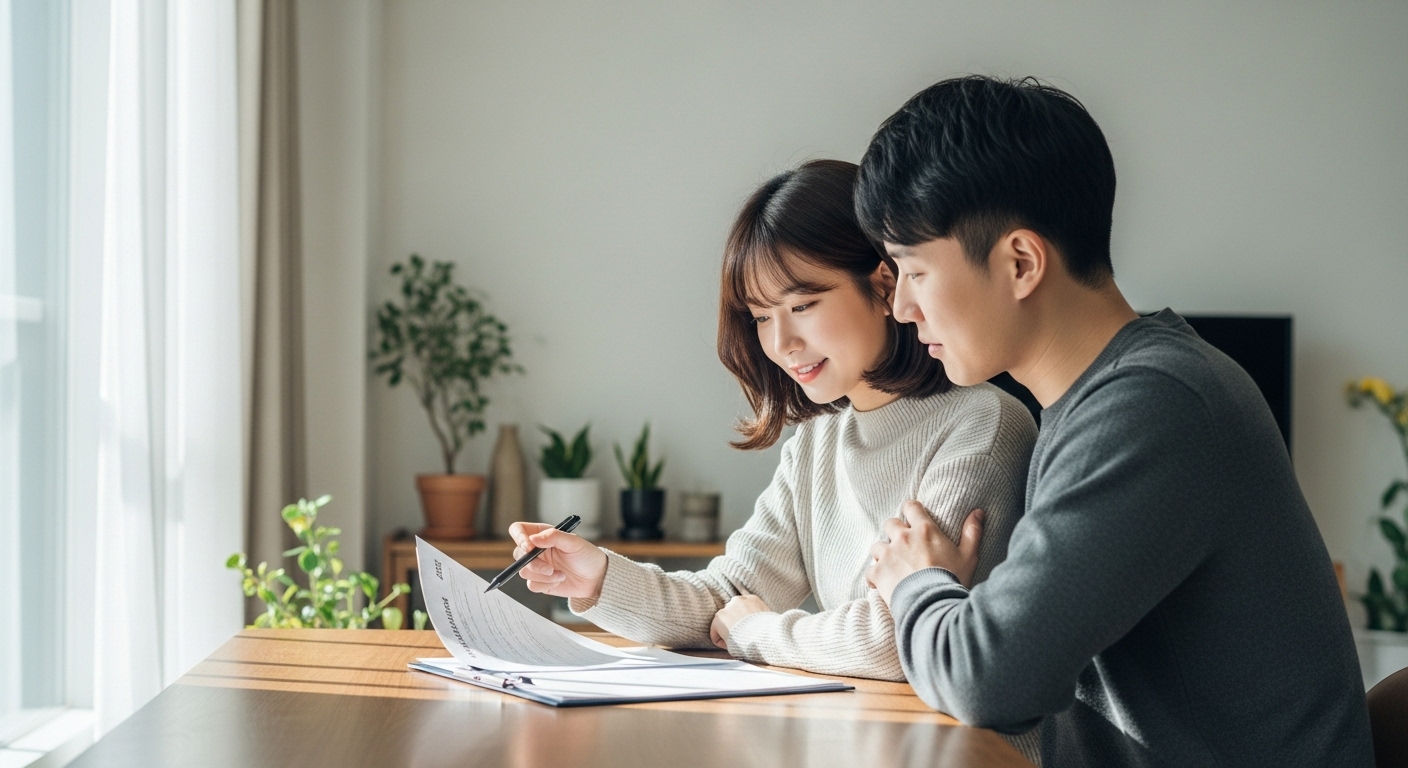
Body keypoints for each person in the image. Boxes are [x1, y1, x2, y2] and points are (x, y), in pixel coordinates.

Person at [857, 75, 1373, 767]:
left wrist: (914, 582)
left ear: (1020, 262)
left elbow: (990, 680)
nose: (902, 309)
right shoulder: (1105, 399)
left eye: (914, 271)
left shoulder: (1154, 405)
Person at [507, 159, 1037, 735]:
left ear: (883, 285)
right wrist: (597, 578)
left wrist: (757, 633)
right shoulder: (817, 441)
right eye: (762, 316)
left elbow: (898, 639)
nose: (781, 342)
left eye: (803, 305)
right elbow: (727, 598)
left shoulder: (982, 425)